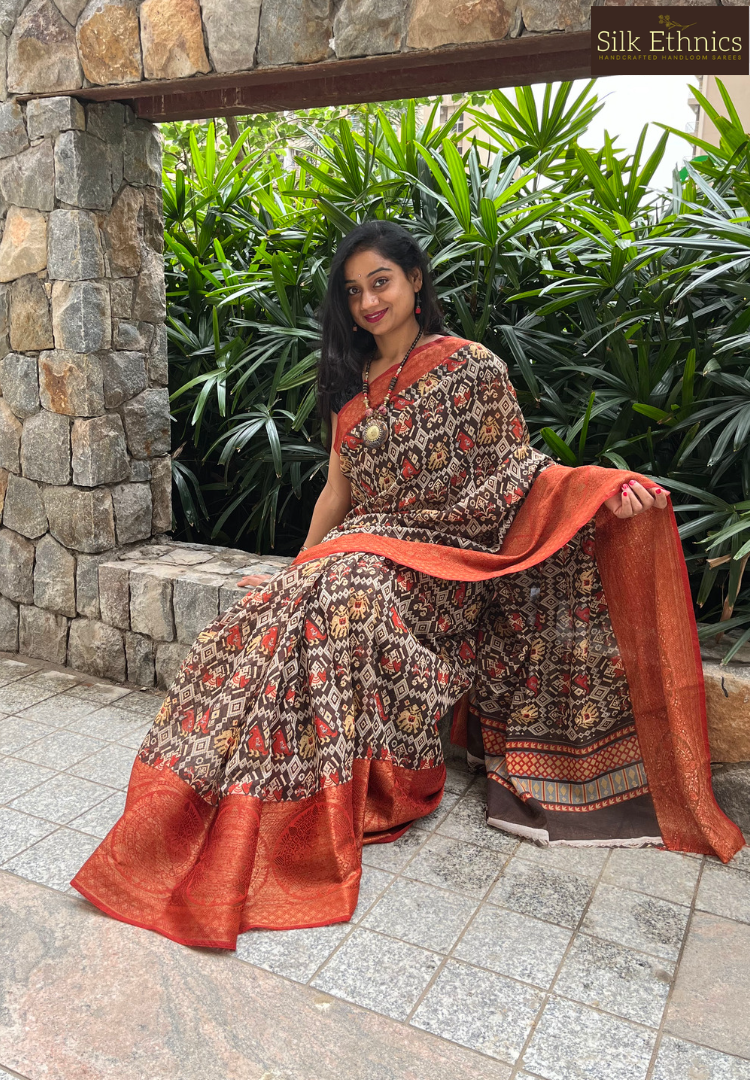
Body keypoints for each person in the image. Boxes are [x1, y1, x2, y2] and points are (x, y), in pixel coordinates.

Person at [71, 220, 744, 950]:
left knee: (345, 594)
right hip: (368, 544)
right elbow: (337, 491)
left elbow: (521, 474)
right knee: (284, 602)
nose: (368, 301)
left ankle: (339, 790)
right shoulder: (348, 386)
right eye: (354, 291)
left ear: (416, 280)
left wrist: (601, 492)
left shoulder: (470, 367)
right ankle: (237, 794)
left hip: (448, 563)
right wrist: (301, 562)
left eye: (380, 282)